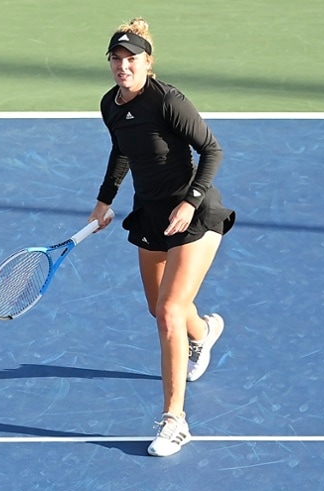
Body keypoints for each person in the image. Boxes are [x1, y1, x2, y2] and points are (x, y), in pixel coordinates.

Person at [88, 18, 235, 457]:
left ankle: (175, 421)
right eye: (116, 58)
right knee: (161, 308)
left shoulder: (168, 101)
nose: (123, 66)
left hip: (194, 214)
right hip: (151, 215)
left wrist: (190, 202)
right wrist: (103, 201)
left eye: (131, 59)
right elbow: (121, 150)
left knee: (170, 310)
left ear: (147, 62)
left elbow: (212, 150)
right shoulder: (110, 104)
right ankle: (203, 332)